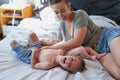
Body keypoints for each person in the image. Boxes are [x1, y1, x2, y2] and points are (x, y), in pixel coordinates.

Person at [43, 0, 120, 79]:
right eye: (56, 12)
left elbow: (77, 42)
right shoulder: (61, 26)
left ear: (69, 6)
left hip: (107, 36)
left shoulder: (80, 15)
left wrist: (51, 47)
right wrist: (40, 44)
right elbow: (60, 44)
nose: (60, 15)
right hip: (98, 50)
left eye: (62, 10)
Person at [10, 32, 86, 73]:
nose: (68, 62)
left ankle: (26, 46)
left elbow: (34, 65)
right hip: (38, 48)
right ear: (71, 55)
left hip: (29, 56)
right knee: (31, 34)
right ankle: (28, 45)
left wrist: (33, 53)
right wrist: (46, 46)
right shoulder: (61, 51)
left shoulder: (49, 64)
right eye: (72, 60)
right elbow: (54, 46)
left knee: (12, 42)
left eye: (69, 66)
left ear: (66, 69)